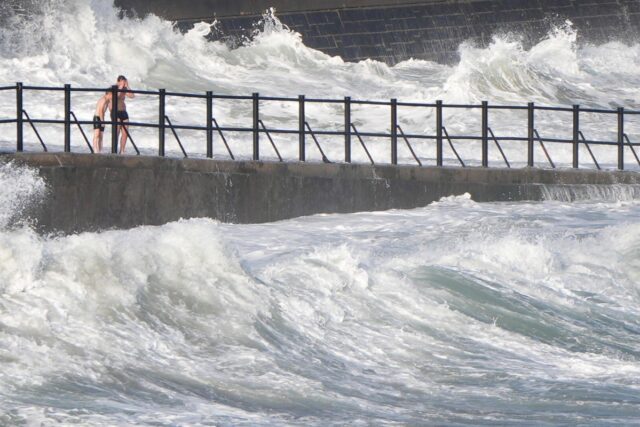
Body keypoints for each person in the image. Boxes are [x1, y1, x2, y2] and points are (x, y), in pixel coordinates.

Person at [115, 75, 134, 154]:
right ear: (118, 81)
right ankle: (114, 149)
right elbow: (116, 96)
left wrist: (127, 86)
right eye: (122, 81)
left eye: (124, 81)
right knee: (117, 132)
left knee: (125, 133)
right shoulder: (115, 88)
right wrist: (120, 86)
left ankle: (122, 150)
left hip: (124, 112)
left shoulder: (124, 89)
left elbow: (132, 96)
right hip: (117, 112)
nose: (123, 83)